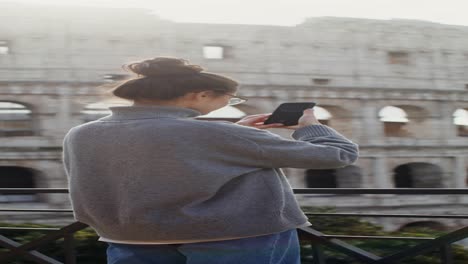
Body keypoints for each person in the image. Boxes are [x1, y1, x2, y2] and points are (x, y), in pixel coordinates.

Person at [62, 57, 359, 264]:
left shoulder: (81, 133)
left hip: (130, 239)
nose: (228, 105)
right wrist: (310, 127)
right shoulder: (215, 133)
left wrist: (234, 135)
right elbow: (336, 154)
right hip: (235, 238)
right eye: (230, 100)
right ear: (200, 94)